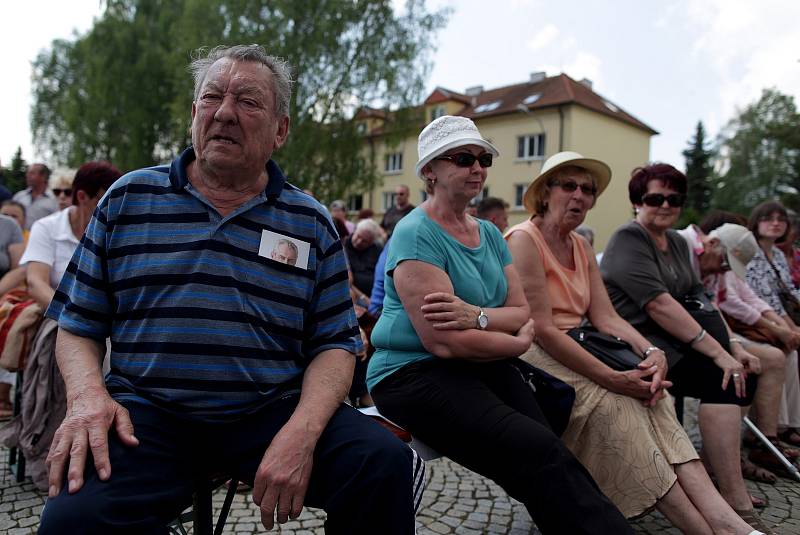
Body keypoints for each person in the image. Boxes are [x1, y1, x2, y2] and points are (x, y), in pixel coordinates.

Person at [38, 45, 415, 535]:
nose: (225, 113)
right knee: (73, 522)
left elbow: (337, 344)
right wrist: (89, 398)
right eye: (212, 98)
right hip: (148, 414)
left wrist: (301, 433)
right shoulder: (129, 199)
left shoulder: (310, 221)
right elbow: (77, 324)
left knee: (381, 464)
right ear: (195, 114)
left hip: (269, 410)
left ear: (281, 130)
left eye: (248, 101)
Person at [367, 115, 633, 534]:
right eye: (462, 158)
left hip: (480, 364)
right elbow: (446, 344)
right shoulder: (415, 234)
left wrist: (477, 316)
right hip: (411, 374)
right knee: (538, 450)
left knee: (545, 452)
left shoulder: (490, 234)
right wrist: (513, 342)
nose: (477, 167)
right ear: (429, 172)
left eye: (483, 158)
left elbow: (520, 311)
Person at [507, 151, 758, 534]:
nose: (579, 196)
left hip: (582, 343)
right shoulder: (524, 239)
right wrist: (611, 377)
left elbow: (606, 316)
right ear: (544, 192)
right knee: (618, 405)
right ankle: (703, 530)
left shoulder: (581, 245)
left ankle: (727, 523)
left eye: (588, 189)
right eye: (569, 186)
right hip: (538, 355)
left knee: (655, 398)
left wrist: (651, 351)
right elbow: (542, 329)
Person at [600, 163, 772, 531]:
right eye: (655, 197)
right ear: (637, 202)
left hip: (674, 343)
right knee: (719, 377)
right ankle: (733, 498)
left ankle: (721, 474)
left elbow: (699, 298)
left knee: (740, 375)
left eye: (674, 198)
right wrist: (718, 353)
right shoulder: (629, 239)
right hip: (637, 346)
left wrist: (734, 346)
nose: (665, 205)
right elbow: (660, 305)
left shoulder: (677, 242)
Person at [700, 222, 800, 479]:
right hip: (695, 336)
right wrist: (776, 329)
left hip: (712, 332)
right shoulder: (699, 258)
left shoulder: (720, 262)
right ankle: (729, 454)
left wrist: (781, 326)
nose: (724, 268)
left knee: (776, 356)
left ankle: (766, 439)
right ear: (713, 244)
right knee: (762, 360)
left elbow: (747, 300)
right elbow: (726, 304)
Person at [20, 162, 122, 311]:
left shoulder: (120, 231)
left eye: (118, 202)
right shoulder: (46, 227)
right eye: (106, 201)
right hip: (56, 318)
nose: (114, 208)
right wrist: (72, 319)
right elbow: (36, 283)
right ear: (81, 196)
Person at [746, 201, 800, 447]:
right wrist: (789, 328)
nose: (776, 223)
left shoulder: (777, 254)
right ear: (757, 222)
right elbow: (761, 297)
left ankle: (791, 423)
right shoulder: (750, 251)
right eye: (769, 218)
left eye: (781, 219)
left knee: (791, 351)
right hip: (757, 320)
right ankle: (778, 427)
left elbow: (788, 293)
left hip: (773, 317)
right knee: (786, 353)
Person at [343, 218, 383, 296]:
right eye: (358, 236)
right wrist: (363, 298)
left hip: (375, 295)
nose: (359, 242)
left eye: (365, 241)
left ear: (371, 242)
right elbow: (346, 280)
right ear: (354, 231)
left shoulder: (377, 249)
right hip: (352, 295)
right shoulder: (343, 247)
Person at [12, 163, 58, 229]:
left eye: (32, 173)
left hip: (42, 238)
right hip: (19, 238)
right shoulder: (19, 196)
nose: (27, 176)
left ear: (43, 177)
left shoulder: (54, 199)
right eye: (27, 173)